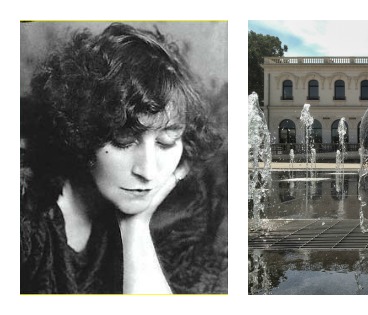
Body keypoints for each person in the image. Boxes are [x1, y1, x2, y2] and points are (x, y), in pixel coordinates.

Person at [20, 23, 227, 294]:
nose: (149, 171)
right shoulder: (24, 214)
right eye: (124, 141)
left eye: (166, 142)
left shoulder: (185, 211)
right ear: (82, 131)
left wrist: (135, 228)